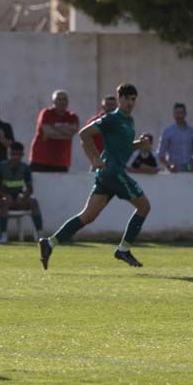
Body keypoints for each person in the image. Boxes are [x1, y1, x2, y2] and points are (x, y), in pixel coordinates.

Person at [39, 83, 153, 269]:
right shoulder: (111, 119)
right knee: (144, 206)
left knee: (88, 216)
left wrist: (139, 145)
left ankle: (49, 243)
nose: (131, 103)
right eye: (127, 99)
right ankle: (123, 249)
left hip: (108, 175)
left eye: (133, 99)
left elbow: (123, 147)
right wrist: (94, 159)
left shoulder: (129, 120)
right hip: (113, 173)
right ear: (120, 99)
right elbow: (84, 134)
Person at [0, 141, 43, 242]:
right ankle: (3, 234)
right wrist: (4, 195)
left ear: (22, 155)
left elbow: (30, 189)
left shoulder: (25, 168)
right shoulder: (0, 167)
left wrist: (23, 196)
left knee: (34, 202)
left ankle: (40, 235)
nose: (15, 157)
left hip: (18, 200)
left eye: (18, 154)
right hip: (2, 200)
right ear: (9, 154)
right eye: (13, 154)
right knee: (5, 202)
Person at [30, 90, 80, 172]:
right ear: (53, 101)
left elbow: (70, 134)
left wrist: (54, 127)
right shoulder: (46, 113)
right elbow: (48, 132)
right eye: (58, 99)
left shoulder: (72, 117)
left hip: (61, 161)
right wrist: (65, 131)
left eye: (64, 99)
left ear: (68, 102)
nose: (61, 102)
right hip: (41, 159)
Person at [158, 103, 193, 172]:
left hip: (190, 170)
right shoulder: (168, 132)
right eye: (176, 113)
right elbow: (161, 154)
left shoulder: (192, 132)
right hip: (174, 171)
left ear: (185, 114)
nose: (179, 116)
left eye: (181, 113)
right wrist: (169, 166)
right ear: (173, 114)